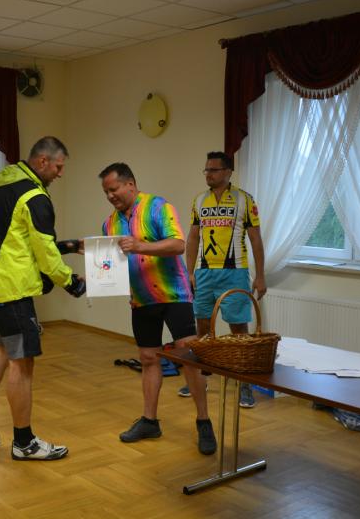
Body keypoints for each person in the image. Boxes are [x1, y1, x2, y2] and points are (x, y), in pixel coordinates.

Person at [0, 136, 85, 461]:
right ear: (43, 161)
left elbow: (16, 238)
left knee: (3, 351)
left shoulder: (5, 181)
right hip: (11, 289)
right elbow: (44, 253)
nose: (60, 173)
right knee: (22, 362)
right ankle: (24, 443)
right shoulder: (35, 197)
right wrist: (71, 281)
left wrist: (69, 246)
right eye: (58, 166)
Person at [99, 162, 217, 456]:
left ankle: (204, 422)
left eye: (113, 189)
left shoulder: (158, 207)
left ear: (130, 184)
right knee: (148, 358)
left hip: (175, 294)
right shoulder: (109, 224)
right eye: (106, 192)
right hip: (141, 300)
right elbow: (111, 264)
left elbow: (178, 245)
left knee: (188, 357)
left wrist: (140, 246)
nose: (110, 196)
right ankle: (150, 422)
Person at [182, 151, 266, 408]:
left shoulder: (245, 200)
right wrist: (189, 272)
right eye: (206, 170)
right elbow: (193, 238)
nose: (208, 174)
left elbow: (255, 239)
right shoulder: (199, 200)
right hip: (204, 272)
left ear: (228, 172)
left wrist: (261, 276)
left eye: (214, 170)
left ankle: (244, 385)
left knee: (238, 330)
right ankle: (201, 377)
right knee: (202, 327)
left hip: (235, 272)